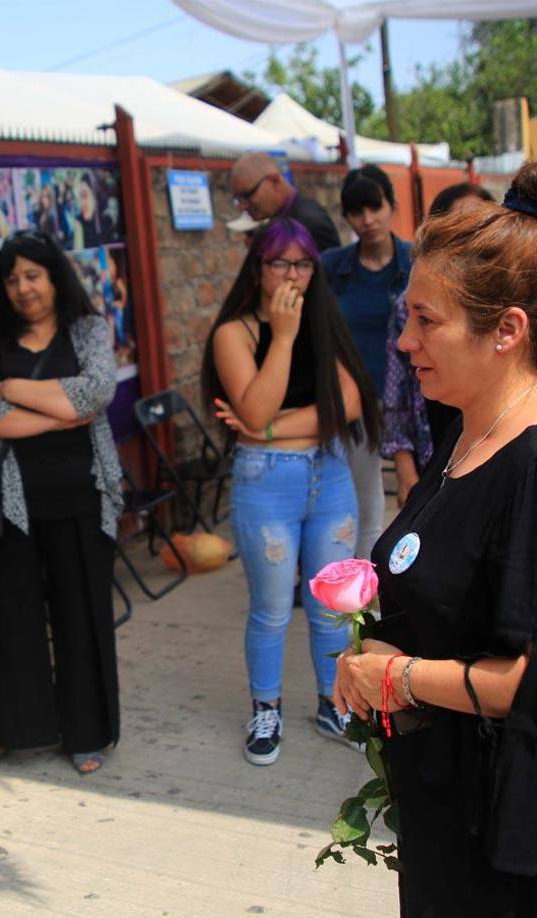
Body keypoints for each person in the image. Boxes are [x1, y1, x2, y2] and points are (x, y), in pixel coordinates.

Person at [334, 163, 537, 915]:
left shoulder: (529, 465)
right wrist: (365, 657)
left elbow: (523, 680)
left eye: (426, 320)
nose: (403, 342)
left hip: (494, 837)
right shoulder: (463, 431)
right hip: (438, 803)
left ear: (506, 330)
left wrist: (400, 678)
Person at [202, 217, 381, 765]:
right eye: (279, 262)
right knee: (274, 608)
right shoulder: (235, 333)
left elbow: (348, 405)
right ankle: (267, 707)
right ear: (257, 269)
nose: (292, 275)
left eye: (303, 264)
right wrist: (281, 338)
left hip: (328, 477)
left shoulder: (325, 320)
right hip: (266, 483)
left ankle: (333, 701)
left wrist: (271, 427)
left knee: (331, 606)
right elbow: (252, 407)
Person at [0, 230, 124, 777]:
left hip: (81, 498)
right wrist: (59, 410)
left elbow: (95, 392)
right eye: (12, 279)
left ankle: (87, 732)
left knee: (82, 617)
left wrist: (11, 390)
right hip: (7, 506)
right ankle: (5, 731)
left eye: (33, 275)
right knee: (8, 620)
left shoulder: (88, 328)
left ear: (54, 276)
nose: (23, 288)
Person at [383, 183, 494, 506]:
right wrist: (405, 468)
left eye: (479, 225)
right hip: (433, 442)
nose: (409, 341)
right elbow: (397, 391)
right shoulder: (410, 302)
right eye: (456, 227)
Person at [322, 165, 401, 558]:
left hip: (412, 397)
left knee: (420, 491)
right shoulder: (333, 268)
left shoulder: (415, 263)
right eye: (356, 211)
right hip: (356, 400)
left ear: (392, 205)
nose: (367, 220)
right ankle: (363, 597)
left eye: (375, 207)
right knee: (365, 504)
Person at [230, 152, 341, 252]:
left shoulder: (310, 221)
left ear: (274, 181)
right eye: (238, 199)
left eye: (248, 194)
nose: (242, 206)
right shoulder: (277, 219)